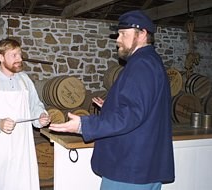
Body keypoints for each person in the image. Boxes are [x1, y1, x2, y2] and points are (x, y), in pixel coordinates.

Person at [49, 10, 175, 190]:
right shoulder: (150, 61)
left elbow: (132, 114)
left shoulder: (142, 65)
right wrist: (110, 106)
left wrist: (84, 125)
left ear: (142, 34)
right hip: (143, 167)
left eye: (124, 34)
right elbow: (145, 108)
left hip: (130, 168)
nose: (118, 39)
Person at [0, 38, 51, 190]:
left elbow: (35, 105)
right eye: (14, 55)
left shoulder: (25, 80)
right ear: (0, 57)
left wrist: (41, 117)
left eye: (20, 54)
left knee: (22, 182)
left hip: (22, 146)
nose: (20, 58)